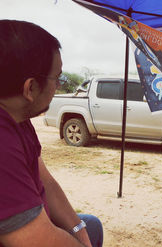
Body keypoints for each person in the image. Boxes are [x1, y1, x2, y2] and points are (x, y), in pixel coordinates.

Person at [0, 20, 103, 247]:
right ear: (30, 88)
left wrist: (78, 229)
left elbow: (44, 178)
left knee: (90, 225)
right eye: (56, 78)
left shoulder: (18, 119)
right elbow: (38, 240)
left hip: (33, 225)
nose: (58, 86)